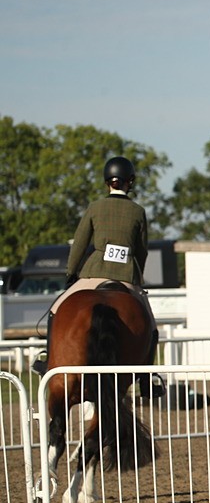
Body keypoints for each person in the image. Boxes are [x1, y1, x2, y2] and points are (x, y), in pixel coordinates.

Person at [32, 156, 152, 375]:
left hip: (93, 272)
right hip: (126, 275)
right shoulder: (138, 211)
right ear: (130, 182)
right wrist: (137, 276)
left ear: (107, 182)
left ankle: (48, 359)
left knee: (56, 311)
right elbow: (141, 250)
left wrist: (72, 272)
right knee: (149, 325)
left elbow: (80, 243)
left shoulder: (95, 207)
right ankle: (147, 378)